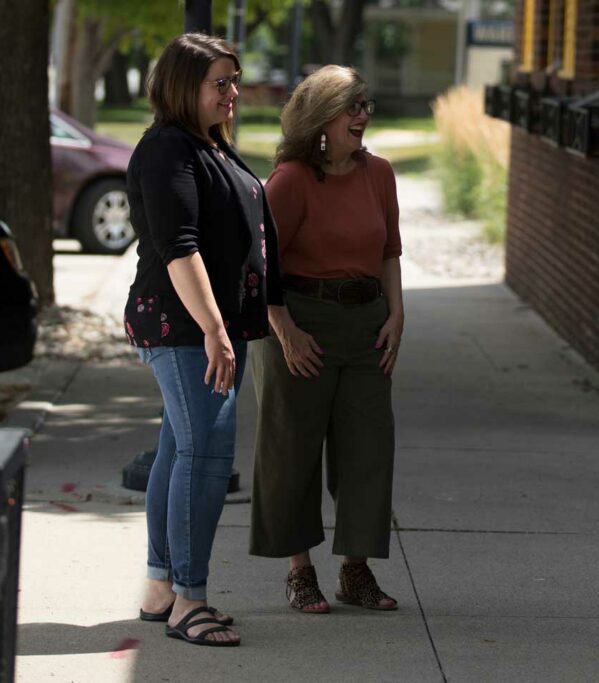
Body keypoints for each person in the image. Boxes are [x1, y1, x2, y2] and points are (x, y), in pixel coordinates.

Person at [126, 33, 283, 647]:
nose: (233, 92)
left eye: (235, 80)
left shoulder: (206, 147)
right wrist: (216, 331)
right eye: (221, 82)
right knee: (206, 457)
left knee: (179, 447)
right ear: (182, 85)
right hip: (186, 326)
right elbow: (178, 247)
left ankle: (162, 587)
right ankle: (190, 599)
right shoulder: (168, 149)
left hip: (211, 326)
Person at [248, 65, 404, 614]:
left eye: (366, 105)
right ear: (321, 118)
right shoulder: (290, 181)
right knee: (293, 449)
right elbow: (260, 267)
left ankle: (356, 572)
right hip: (300, 323)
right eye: (351, 106)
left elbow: (390, 253)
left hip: (367, 326)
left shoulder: (379, 174)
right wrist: (284, 329)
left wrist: (397, 314)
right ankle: (300, 572)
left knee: (368, 449)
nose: (362, 116)